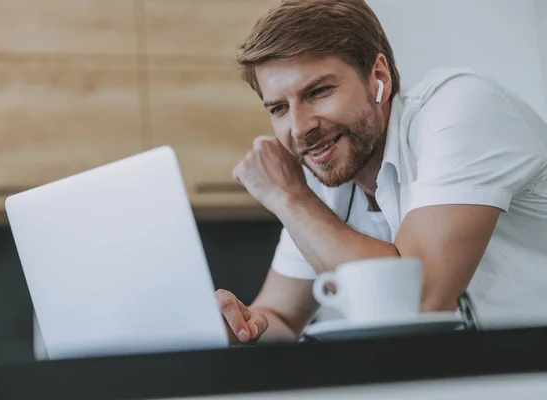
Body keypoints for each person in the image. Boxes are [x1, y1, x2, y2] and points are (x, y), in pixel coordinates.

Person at [215, 0, 547, 344]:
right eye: (280, 108)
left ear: (379, 78)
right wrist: (238, 327)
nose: (299, 129)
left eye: (318, 91)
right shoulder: (328, 171)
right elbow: (280, 318)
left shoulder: (462, 109)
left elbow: (419, 302)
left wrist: (289, 197)